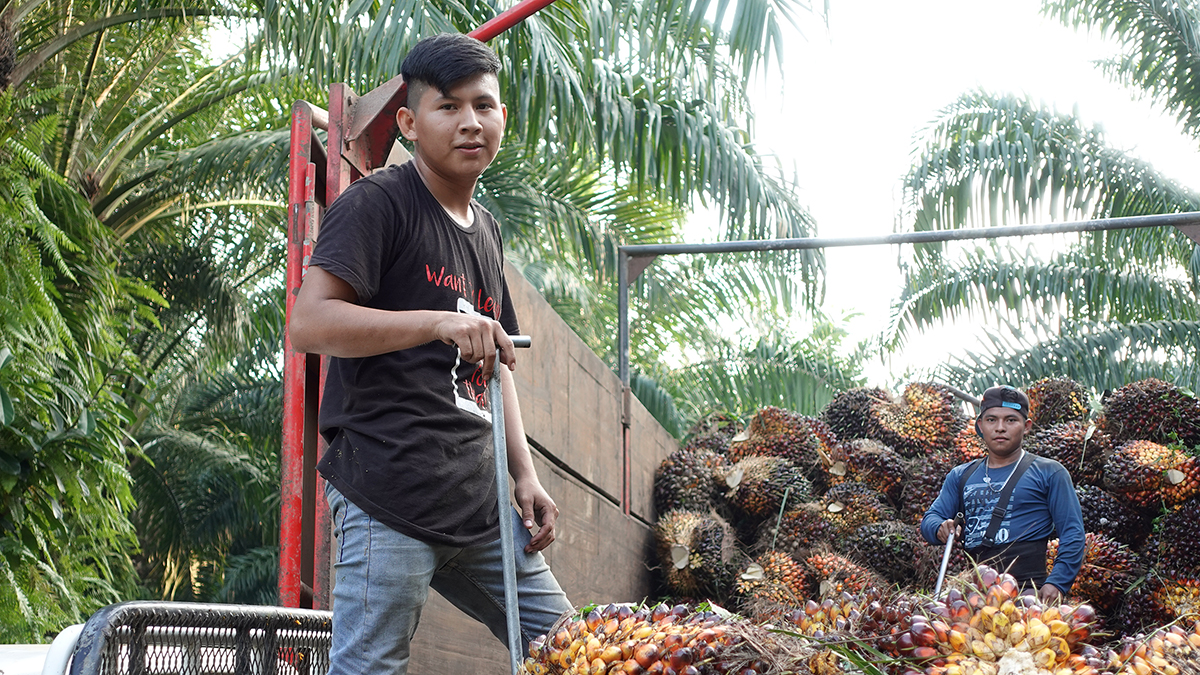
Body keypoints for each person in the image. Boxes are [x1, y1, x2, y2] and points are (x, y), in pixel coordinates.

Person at [288, 32, 572, 675]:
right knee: (371, 667)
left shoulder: (487, 231)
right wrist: (435, 323)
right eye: (449, 107)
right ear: (411, 123)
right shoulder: (378, 203)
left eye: (485, 105)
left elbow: (497, 363)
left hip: (479, 506)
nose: (471, 122)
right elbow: (309, 323)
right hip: (389, 494)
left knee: (570, 650)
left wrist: (523, 475)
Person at [919, 385, 1085, 603]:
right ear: (979, 425)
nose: (1000, 428)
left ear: (1026, 427)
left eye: (1010, 420)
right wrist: (940, 528)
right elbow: (929, 520)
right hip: (975, 595)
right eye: (991, 420)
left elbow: (1072, 533)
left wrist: (1057, 582)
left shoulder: (1049, 472)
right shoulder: (960, 475)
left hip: (1028, 593)